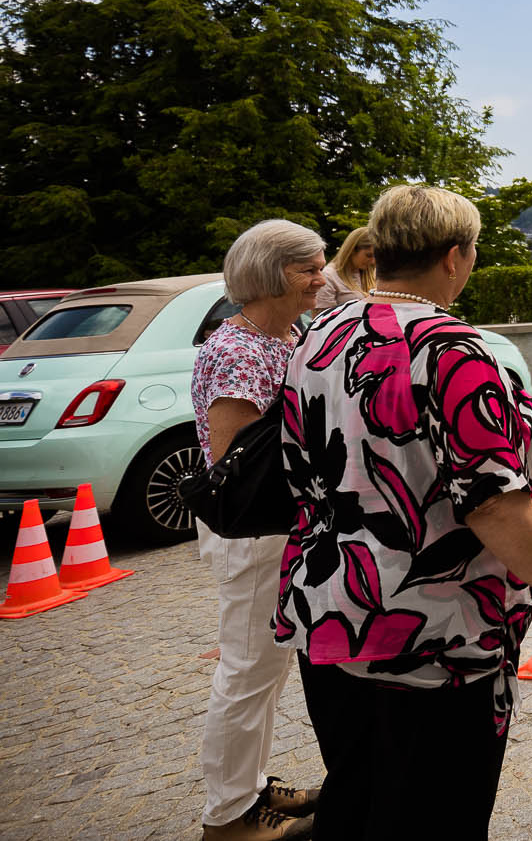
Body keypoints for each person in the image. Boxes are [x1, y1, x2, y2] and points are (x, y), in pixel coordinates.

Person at [276, 185, 532, 841]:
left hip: (331, 612)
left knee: (358, 796)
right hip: (435, 633)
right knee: (439, 812)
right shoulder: (451, 349)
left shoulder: (316, 336)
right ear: (453, 257)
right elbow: (491, 499)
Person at [193, 220, 327, 841]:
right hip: (253, 531)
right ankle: (229, 817)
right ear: (274, 276)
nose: (321, 278)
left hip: (281, 526)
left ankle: (249, 784)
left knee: (267, 668)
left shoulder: (286, 333)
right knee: (247, 669)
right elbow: (233, 464)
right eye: (309, 268)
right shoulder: (236, 350)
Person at [314, 227, 374, 310]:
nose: (373, 261)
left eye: (376, 256)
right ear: (352, 250)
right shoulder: (329, 276)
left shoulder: (371, 273)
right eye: (368, 255)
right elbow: (321, 317)